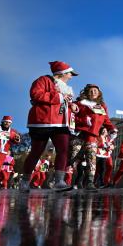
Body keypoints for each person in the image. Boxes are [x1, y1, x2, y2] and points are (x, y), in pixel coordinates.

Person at [21, 61, 79, 191]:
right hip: (42, 121)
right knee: (36, 152)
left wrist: (72, 106)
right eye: (70, 74)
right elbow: (36, 94)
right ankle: (24, 181)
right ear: (62, 73)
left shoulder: (67, 89)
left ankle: (59, 181)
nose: (71, 77)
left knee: (63, 150)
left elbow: (63, 103)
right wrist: (58, 96)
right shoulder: (43, 80)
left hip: (62, 123)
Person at [69, 84, 117, 190]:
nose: (93, 92)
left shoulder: (102, 106)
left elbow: (106, 120)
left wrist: (112, 129)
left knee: (91, 159)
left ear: (99, 93)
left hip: (92, 136)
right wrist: (82, 120)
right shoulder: (80, 103)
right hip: (79, 134)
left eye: (95, 91)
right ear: (86, 93)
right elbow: (72, 116)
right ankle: (62, 180)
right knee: (73, 157)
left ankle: (90, 182)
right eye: (91, 91)